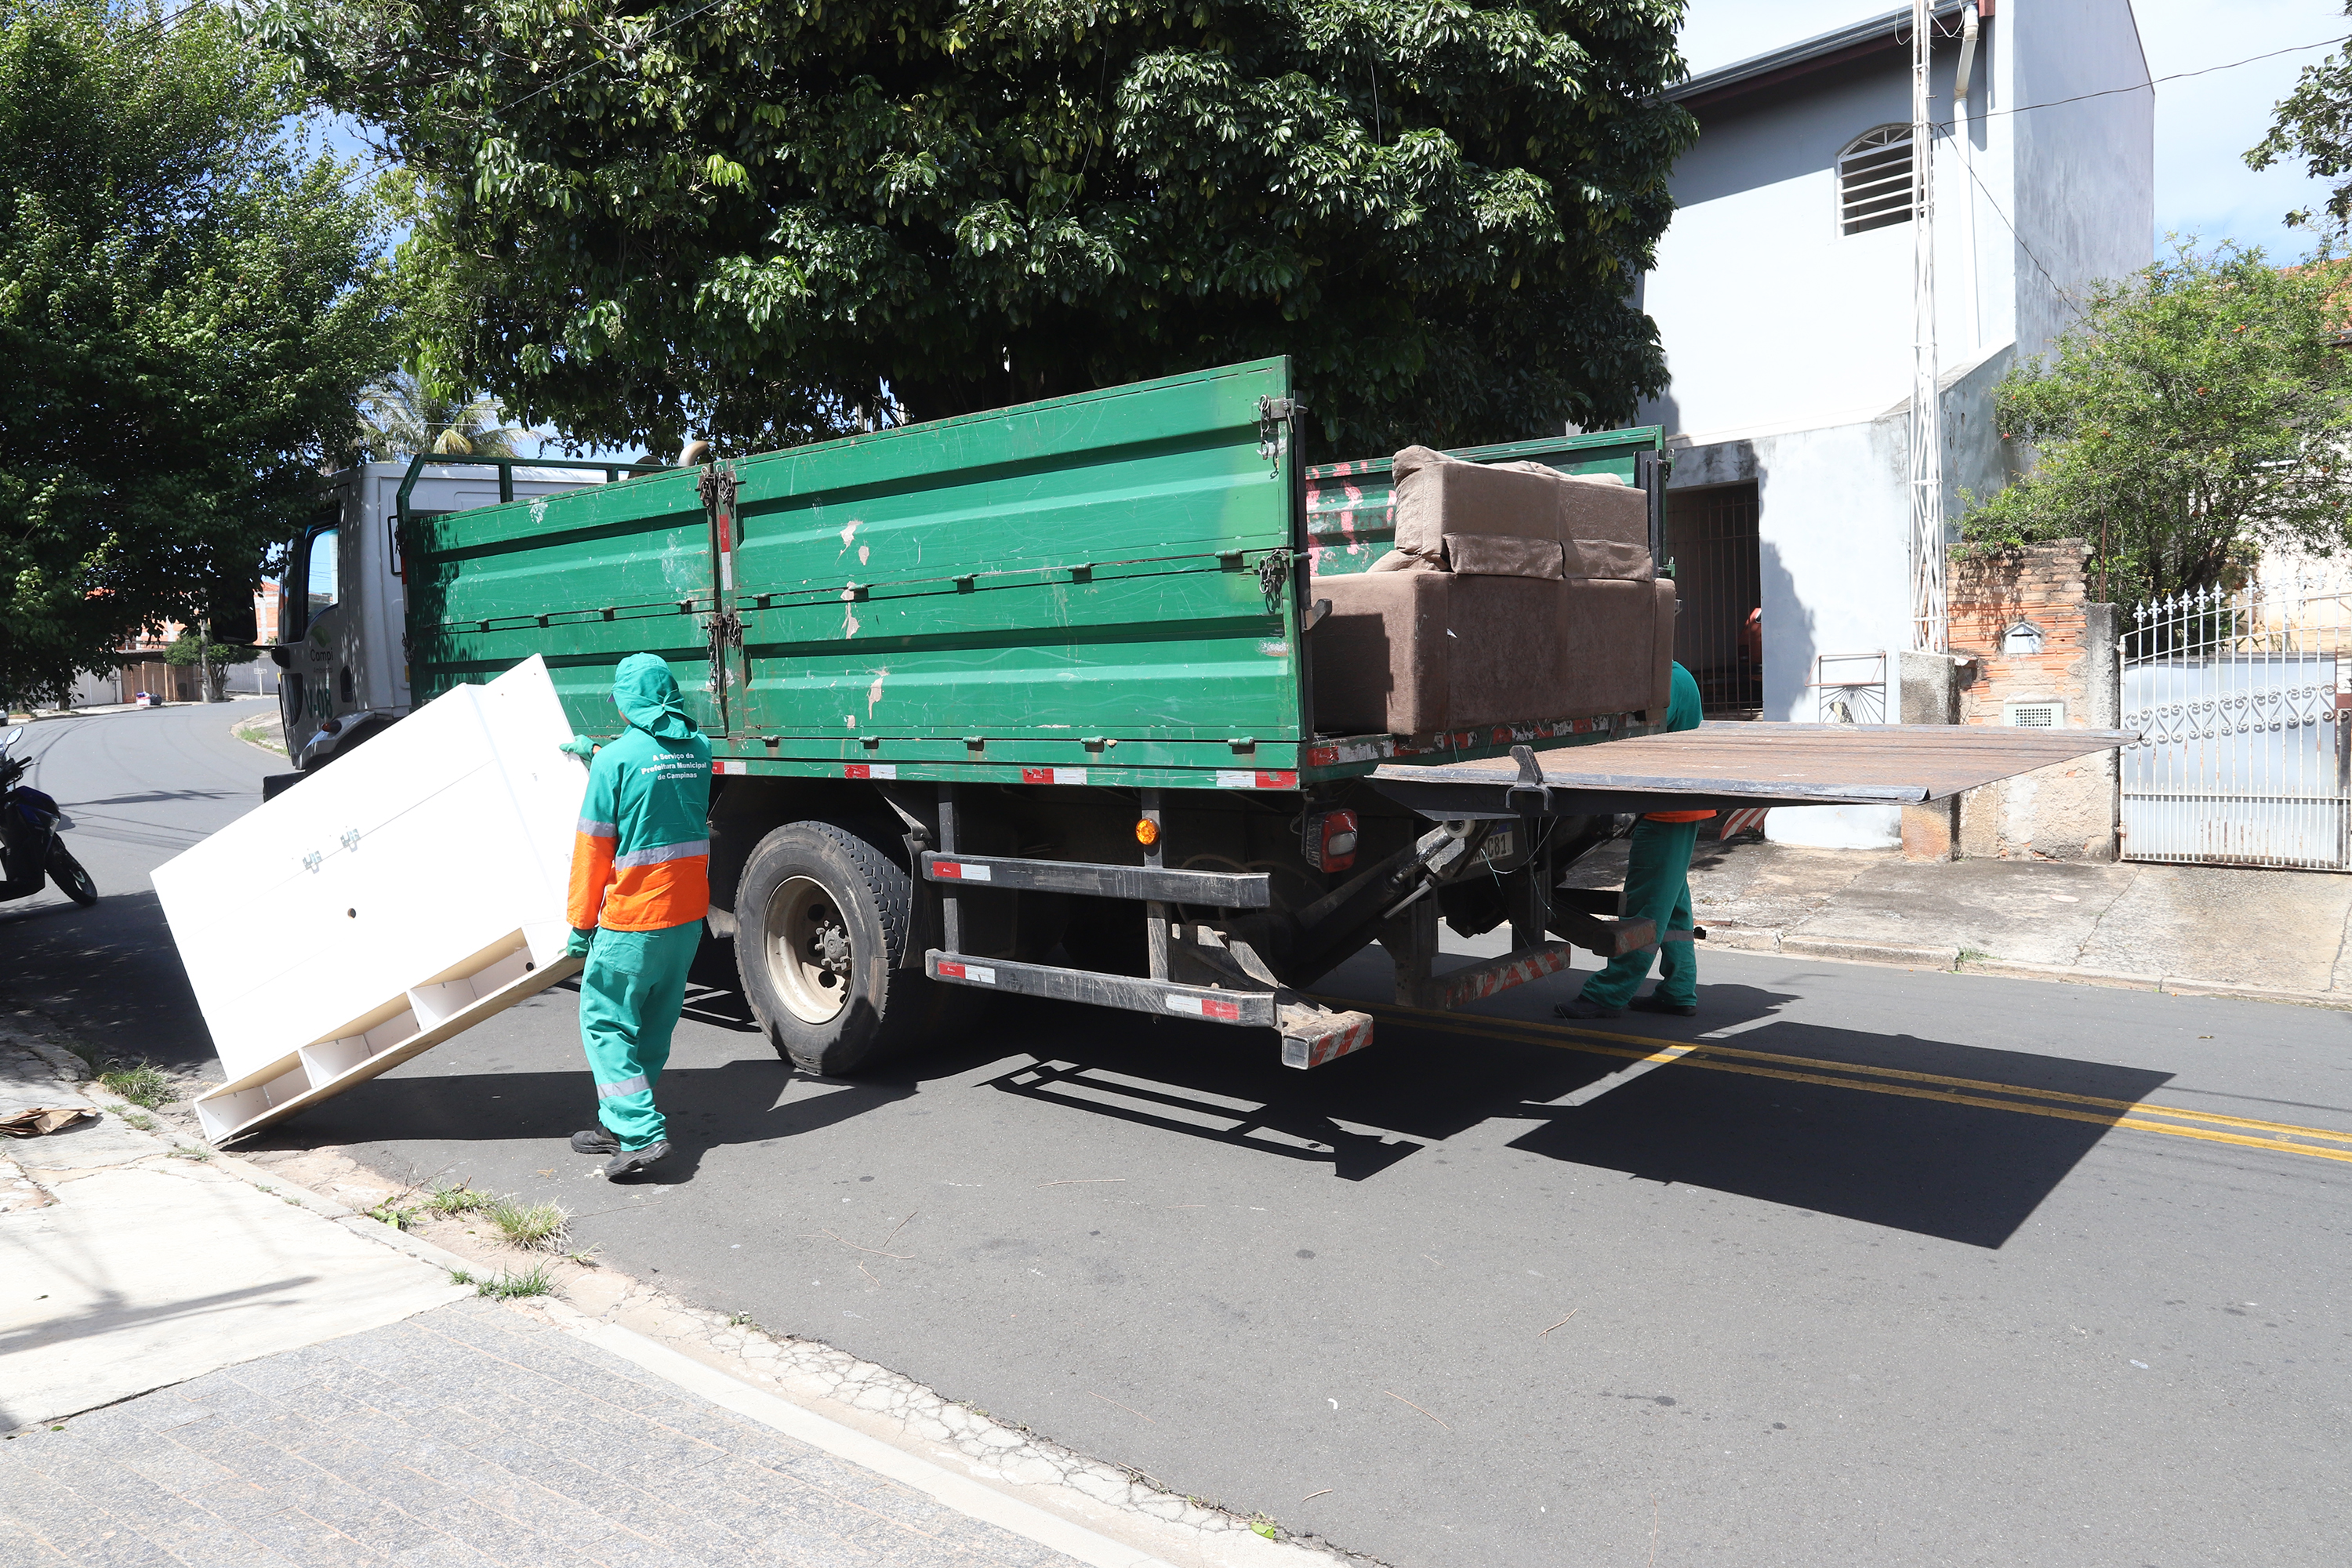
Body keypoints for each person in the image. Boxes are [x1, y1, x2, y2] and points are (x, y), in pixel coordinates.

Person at [561, 654, 712, 1178]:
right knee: (652, 1027)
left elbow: (592, 852)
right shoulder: (700, 749)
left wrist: (581, 926)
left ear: (626, 704)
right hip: (687, 917)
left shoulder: (615, 762)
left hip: (633, 920)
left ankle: (643, 1134)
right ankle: (616, 1124)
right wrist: (597, 754)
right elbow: (657, 773)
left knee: (605, 1023)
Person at [1556, 660, 1711, 1020]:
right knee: (1674, 909)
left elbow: (1635, 737)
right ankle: (1678, 989)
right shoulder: (1680, 674)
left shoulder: (1663, 683)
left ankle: (1608, 994)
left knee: (1646, 910)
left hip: (1664, 811)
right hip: (1678, 805)